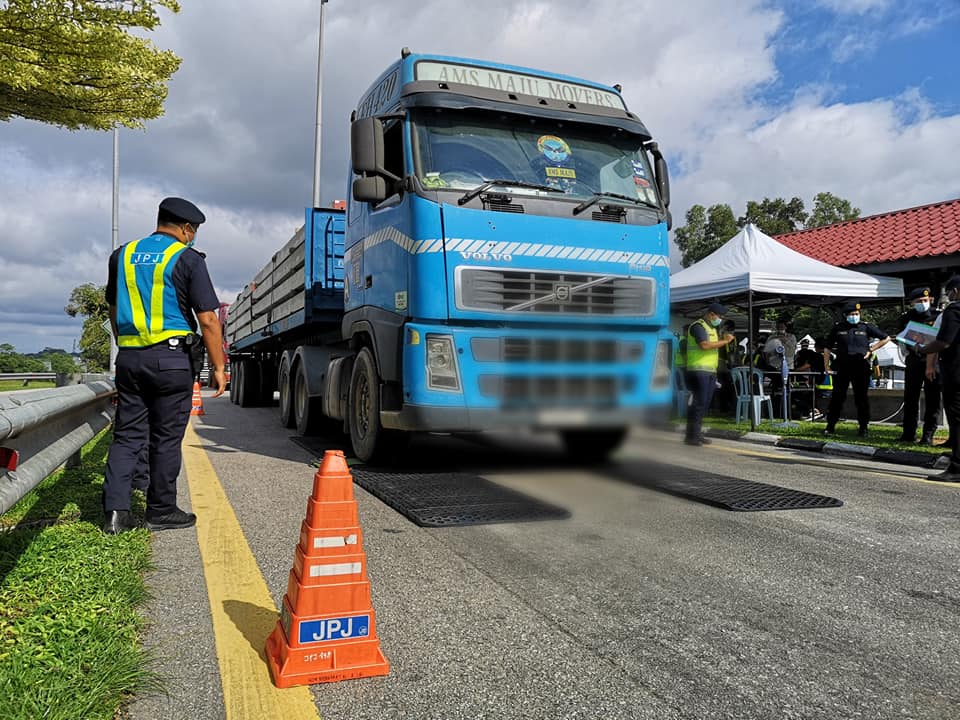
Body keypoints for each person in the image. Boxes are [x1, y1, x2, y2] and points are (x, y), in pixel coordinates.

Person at [102, 197, 227, 534]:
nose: (193, 236)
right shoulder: (187, 259)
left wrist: (125, 342)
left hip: (129, 358)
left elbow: (114, 309)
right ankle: (160, 510)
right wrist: (218, 366)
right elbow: (209, 320)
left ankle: (115, 514)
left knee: (127, 436)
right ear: (186, 228)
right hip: (171, 360)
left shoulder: (122, 255)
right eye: (194, 230)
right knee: (166, 438)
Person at [823, 301, 890, 437]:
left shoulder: (865, 327)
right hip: (842, 366)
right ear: (846, 315)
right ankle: (830, 426)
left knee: (861, 399)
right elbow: (827, 347)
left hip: (861, 366)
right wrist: (826, 365)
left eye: (857, 314)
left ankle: (863, 428)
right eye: (852, 314)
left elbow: (886, 338)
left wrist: (871, 350)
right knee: (837, 397)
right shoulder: (838, 328)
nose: (855, 316)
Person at [918, 276, 960, 481]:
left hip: (956, 372)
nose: (949, 296)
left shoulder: (954, 311)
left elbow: (943, 342)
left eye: (950, 292)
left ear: (956, 291)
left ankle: (957, 467)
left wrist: (922, 348)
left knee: (957, 418)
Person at [684, 302, 736, 446]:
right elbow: (704, 345)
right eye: (720, 316)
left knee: (705, 404)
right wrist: (725, 341)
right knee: (699, 403)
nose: (721, 319)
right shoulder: (698, 326)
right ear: (711, 314)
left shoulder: (711, 328)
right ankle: (691, 436)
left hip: (709, 371)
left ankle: (696, 433)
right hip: (698, 370)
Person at [896, 287, 941, 444]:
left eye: (925, 300)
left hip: (933, 362)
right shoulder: (906, 318)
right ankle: (908, 434)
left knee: (932, 399)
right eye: (919, 301)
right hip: (914, 360)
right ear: (912, 303)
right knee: (910, 398)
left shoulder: (938, 315)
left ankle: (928, 435)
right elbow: (901, 337)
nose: (923, 303)